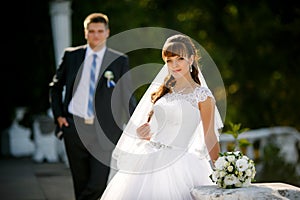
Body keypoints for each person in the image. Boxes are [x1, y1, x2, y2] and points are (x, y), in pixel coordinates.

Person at [100, 34, 223, 200]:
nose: (174, 65)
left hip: (180, 164)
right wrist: (145, 135)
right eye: (169, 60)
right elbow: (160, 128)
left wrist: (222, 170)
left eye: (180, 58)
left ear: (191, 59)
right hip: (148, 158)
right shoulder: (164, 92)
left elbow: (209, 136)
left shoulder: (202, 96)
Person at [49, 13, 136, 200]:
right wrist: (58, 116)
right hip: (74, 128)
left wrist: (137, 124)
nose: (96, 35)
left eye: (100, 31)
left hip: (104, 131)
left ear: (107, 33)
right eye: (91, 31)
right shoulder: (71, 56)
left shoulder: (119, 61)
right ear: (85, 33)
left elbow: (126, 96)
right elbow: (55, 87)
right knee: (80, 184)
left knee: (97, 184)